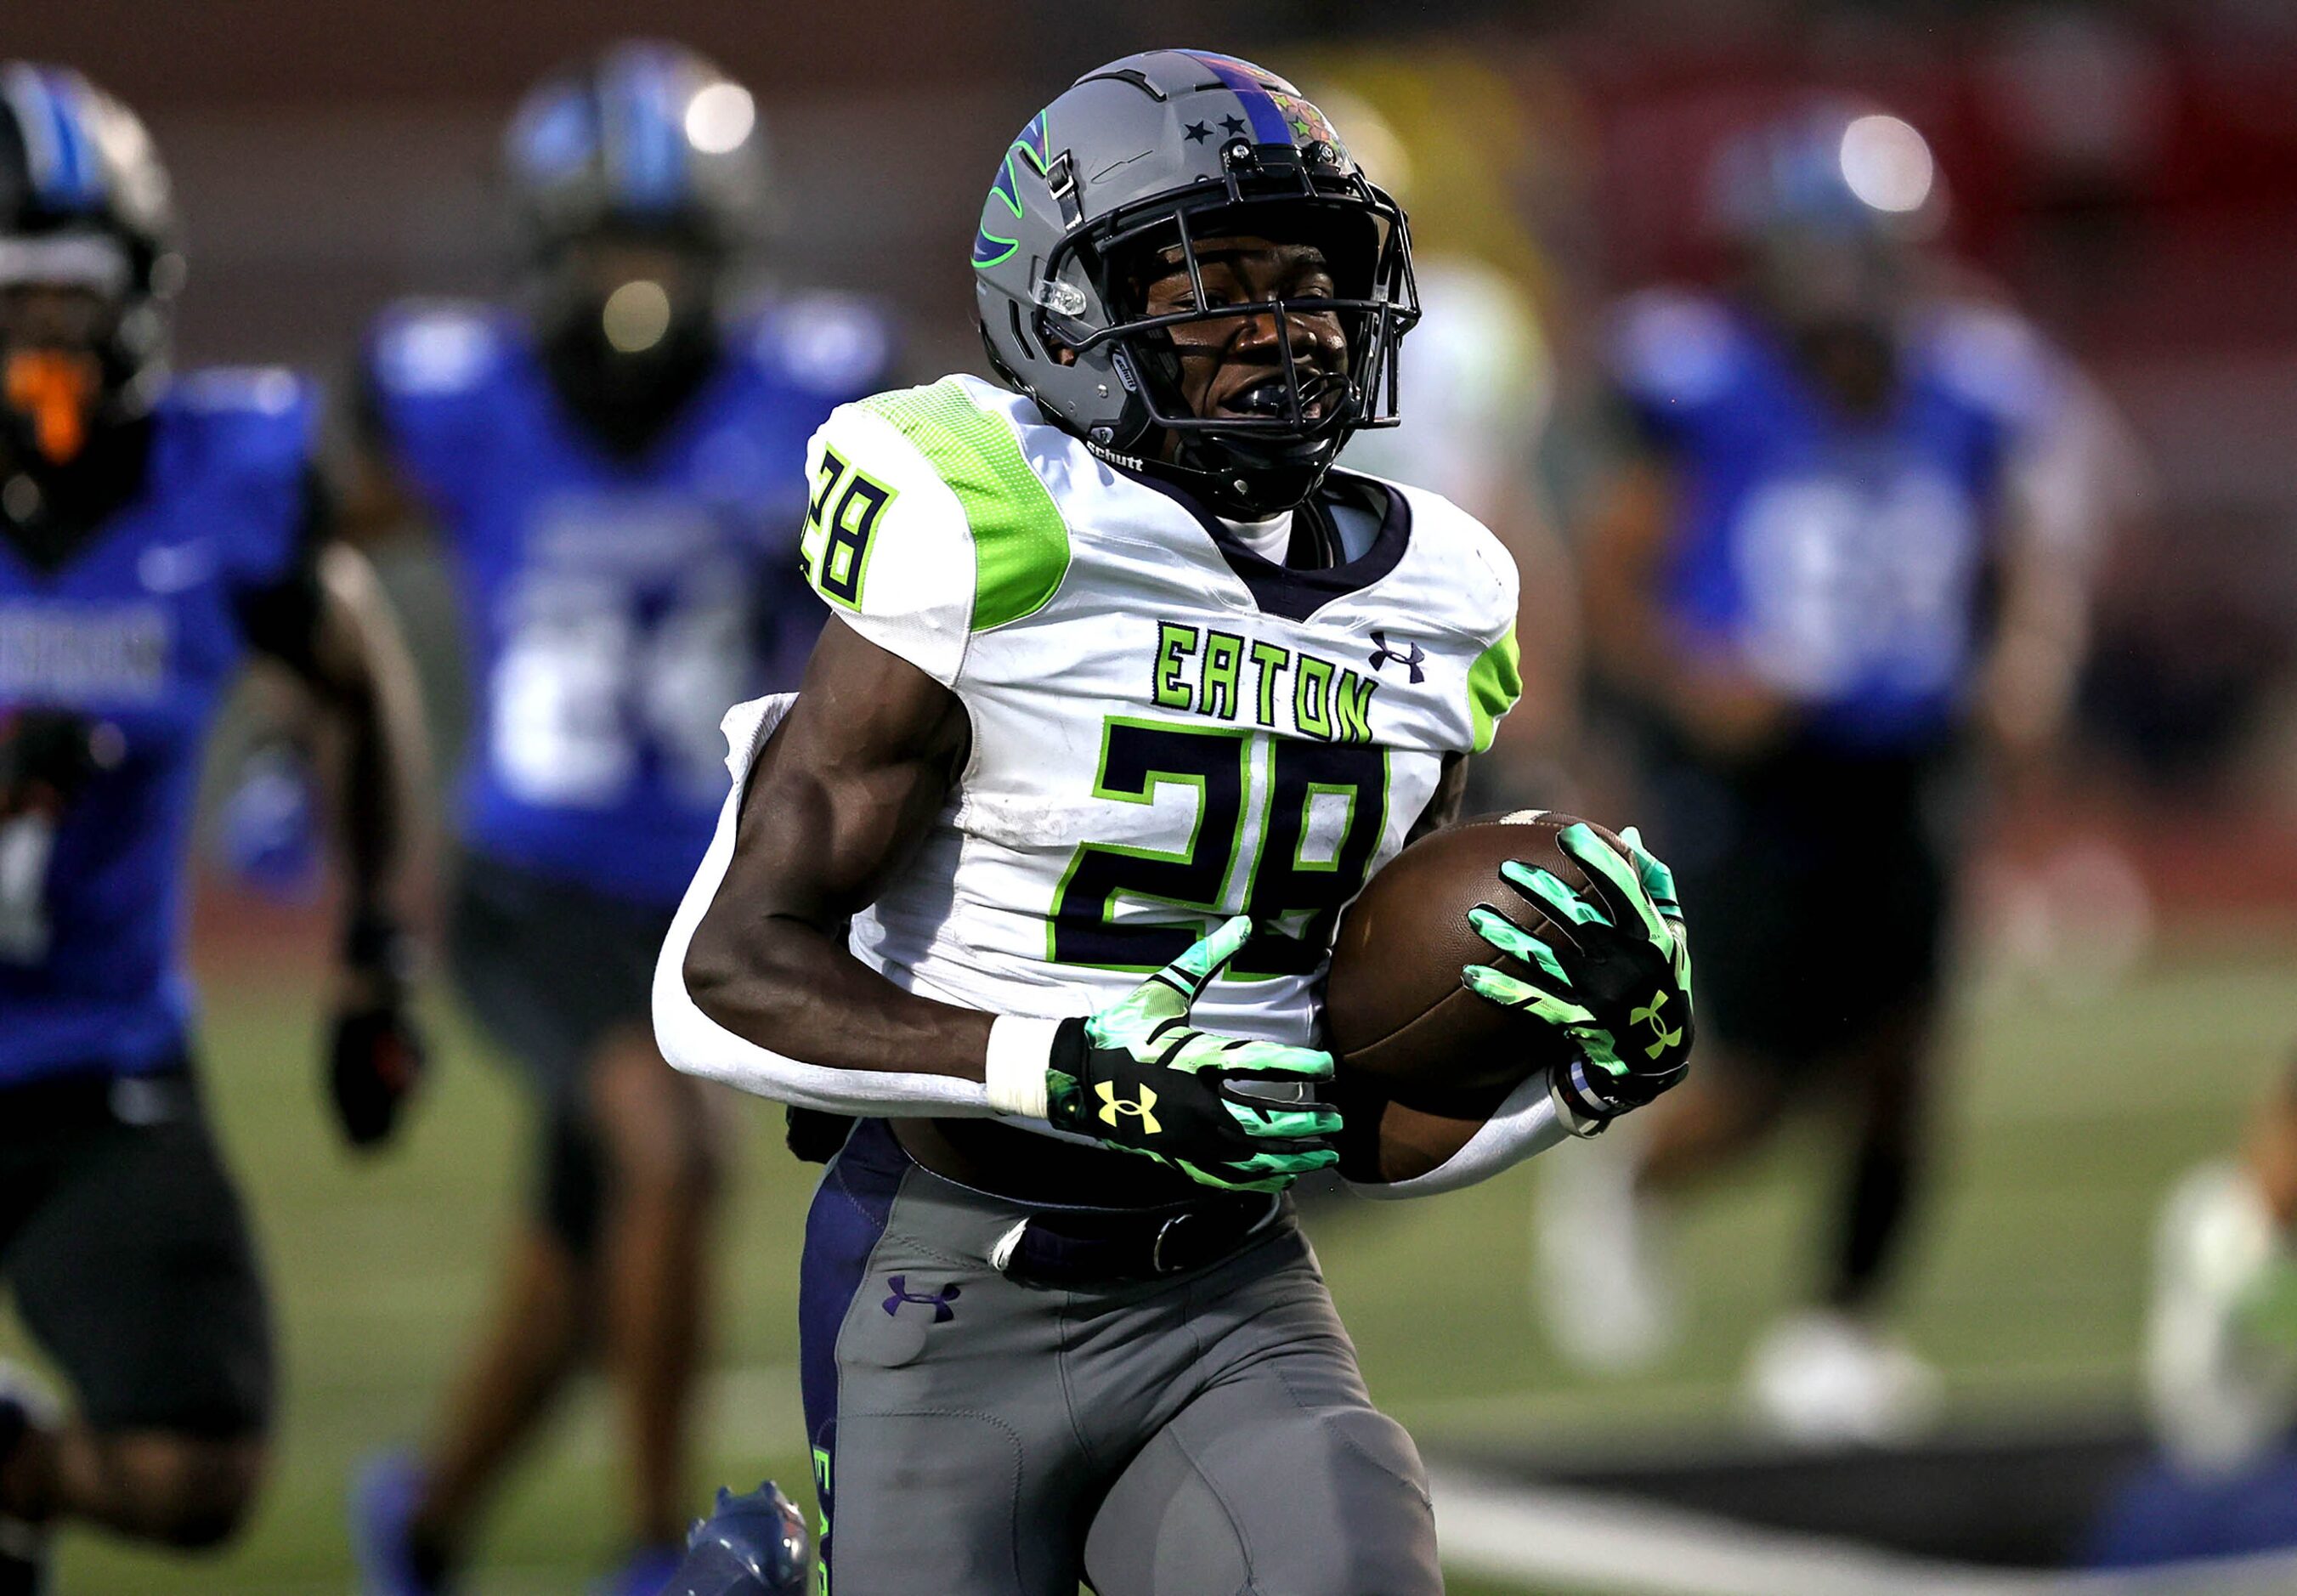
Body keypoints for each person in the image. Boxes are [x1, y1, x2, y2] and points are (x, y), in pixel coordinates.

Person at [652, 50, 1694, 1594]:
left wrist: (1566, 1079)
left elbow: (1358, 1096)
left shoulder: (1446, 600)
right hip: (948, 1273)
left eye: (1316, 281)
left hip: (1230, 1286)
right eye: (1218, 282)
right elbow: (714, 979)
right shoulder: (985, 520)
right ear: (1069, 305)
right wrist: (1064, 1070)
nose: (1286, 328)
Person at [340, 41, 891, 1596]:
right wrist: (281, 741)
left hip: (713, 873)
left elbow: (904, 606)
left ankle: (427, 1520)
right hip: (541, 882)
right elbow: (297, 568)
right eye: (607, 252)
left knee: (580, 1264)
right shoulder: (460, 398)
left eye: (666, 252)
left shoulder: (810, 390)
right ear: (541, 252)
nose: (635, 291)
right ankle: (659, 1554)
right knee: (669, 1155)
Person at [1549, 102, 2087, 1440]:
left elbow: (2026, 563)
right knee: (1772, 1073)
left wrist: (2024, 662)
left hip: (1905, 758)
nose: (1848, 283)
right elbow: (1612, 567)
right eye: (1821, 250)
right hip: (1759, 772)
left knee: (1906, 1063)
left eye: (1870, 250)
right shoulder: (1707, 382)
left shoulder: (1968, 386)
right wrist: (1688, 681)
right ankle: (1635, 1186)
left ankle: (1839, 1329)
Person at [0, 62, 428, 1593]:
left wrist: (373, 955)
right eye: (6, 300)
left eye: (62, 294)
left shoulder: (221, 474)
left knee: (200, 1473)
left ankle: (15, 1468)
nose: (35, 338)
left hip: (92, 1053)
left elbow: (354, 667)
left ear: (138, 292)